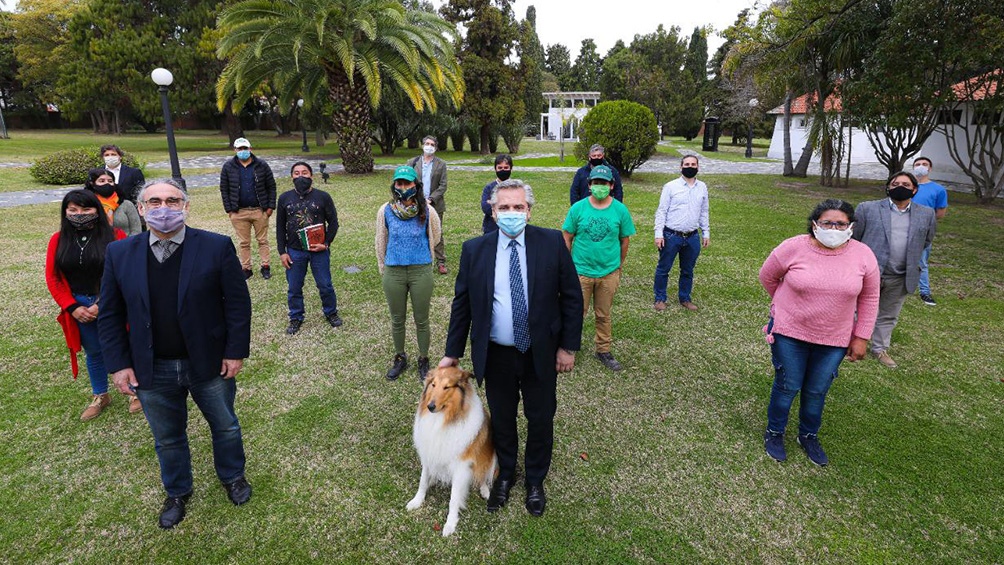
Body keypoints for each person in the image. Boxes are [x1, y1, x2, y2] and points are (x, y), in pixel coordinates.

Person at [98, 179, 253, 529]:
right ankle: (178, 491)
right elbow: (110, 313)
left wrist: (234, 351)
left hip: (209, 362)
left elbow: (237, 305)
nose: (163, 208)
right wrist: (119, 365)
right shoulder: (120, 253)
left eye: (172, 200)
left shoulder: (215, 246)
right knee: (167, 436)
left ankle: (232, 476)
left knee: (225, 426)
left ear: (185, 206)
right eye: (154, 201)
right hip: (152, 366)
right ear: (140, 209)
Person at [439, 179, 583, 518]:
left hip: (540, 352)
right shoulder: (475, 250)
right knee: (502, 419)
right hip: (496, 353)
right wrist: (451, 351)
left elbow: (572, 298)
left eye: (518, 207)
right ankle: (506, 476)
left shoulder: (551, 243)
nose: (512, 213)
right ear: (493, 211)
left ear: (529, 211)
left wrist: (568, 348)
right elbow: (463, 305)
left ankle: (535, 480)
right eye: (504, 207)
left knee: (541, 417)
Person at [759, 199, 880, 466]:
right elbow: (767, 276)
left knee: (816, 390)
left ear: (850, 227)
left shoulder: (863, 255)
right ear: (815, 224)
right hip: (790, 332)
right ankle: (775, 432)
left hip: (834, 338)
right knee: (787, 385)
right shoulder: (793, 247)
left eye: (841, 223)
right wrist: (784, 306)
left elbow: (870, 298)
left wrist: (861, 337)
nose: (834, 228)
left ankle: (808, 435)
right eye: (827, 223)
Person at [45, 190, 133, 420]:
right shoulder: (58, 239)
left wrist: (103, 304)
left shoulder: (116, 236)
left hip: (112, 302)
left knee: (125, 344)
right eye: (73, 210)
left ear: (97, 210)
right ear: (65, 212)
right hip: (78, 305)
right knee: (94, 351)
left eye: (86, 209)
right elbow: (53, 277)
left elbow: (125, 275)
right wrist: (72, 307)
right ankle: (101, 394)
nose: (79, 214)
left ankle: (135, 391)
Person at [852, 172, 937, 369]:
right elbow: (855, 238)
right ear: (888, 187)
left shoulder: (926, 214)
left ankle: (879, 348)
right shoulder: (867, 208)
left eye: (906, 184)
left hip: (901, 275)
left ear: (914, 189)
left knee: (889, 314)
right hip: (869, 272)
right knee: (857, 309)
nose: (900, 186)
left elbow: (926, 240)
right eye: (895, 183)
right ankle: (852, 342)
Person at [561, 165, 636, 371]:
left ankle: (603, 350)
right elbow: (567, 236)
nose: (599, 186)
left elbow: (624, 240)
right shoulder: (578, 208)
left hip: (608, 272)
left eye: (604, 183)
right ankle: (568, 348)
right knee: (576, 312)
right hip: (581, 271)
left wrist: (618, 266)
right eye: (596, 183)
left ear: (611, 186)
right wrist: (568, 265)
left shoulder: (620, 210)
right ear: (589, 185)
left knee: (603, 314)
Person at [376, 166, 442, 381]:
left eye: (408, 183)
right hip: (394, 272)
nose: (403, 187)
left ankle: (423, 358)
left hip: (420, 270)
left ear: (416, 185)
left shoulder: (428, 211)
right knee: (397, 319)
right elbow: (381, 241)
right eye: (400, 183)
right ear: (395, 186)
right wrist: (383, 268)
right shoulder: (385, 210)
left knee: (421, 319)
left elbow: (436, 235)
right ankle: (400, 357)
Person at [276, 162, 342, 335]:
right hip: (294, 251)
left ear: (311, 176)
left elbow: (333, 223)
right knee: (294, 287)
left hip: (318, 250)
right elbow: (280, 227)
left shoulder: (323, 197)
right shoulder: (284, 198)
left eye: (304, 173)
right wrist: (282, 252)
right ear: (291, 177)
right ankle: (296, 316)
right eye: (296, 173)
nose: (300, 176)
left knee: (325, 285)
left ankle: (331, 312)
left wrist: (326, 243)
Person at [652, 155, 710, 311]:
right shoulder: (670, 187)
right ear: (681, 167)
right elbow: (661, 211)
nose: (689, 166)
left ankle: (685, 298)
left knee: (688, 270)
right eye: (686, 164)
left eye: (693, 164)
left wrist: (706, 232)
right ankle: (660, 298)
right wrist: (659, 234)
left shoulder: (702, 187)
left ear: (698, 167)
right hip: (671, 236)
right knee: (664, 268)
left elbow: (704, 211)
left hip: (692, 237)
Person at [219, 137, 277, 280]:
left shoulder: (261, 165)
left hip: (259, 210)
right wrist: (230, 210)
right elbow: (224, 189)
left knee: (262, 240)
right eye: (240, 149)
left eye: (245, 148)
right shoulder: (228, 167)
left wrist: (270, 208)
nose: (243, 151)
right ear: (235, 150)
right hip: (239, 211)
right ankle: (246, 268)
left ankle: (265, 266)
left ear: (250, 149)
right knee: (243, 242)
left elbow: (271, 186)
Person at [407, 135, 448, 274]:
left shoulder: (441, 164)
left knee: (437, 232)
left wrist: (431, 199)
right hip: (415, 203)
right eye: (427, 143)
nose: (429, 146)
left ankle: (441, 261)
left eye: (432, 144)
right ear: (423, 145)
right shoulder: (412, 162)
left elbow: (443, 186)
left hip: (435, 204)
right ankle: (418, 260)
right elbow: (407, 182)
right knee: (416, 231)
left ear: (435, 147)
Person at [911, 156, 948, 306]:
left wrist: (926, 222)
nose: (921, 166)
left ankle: (924, 292)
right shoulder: (908, 186)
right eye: (918, 164)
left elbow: (940, 212)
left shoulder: (938, 189)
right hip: (902, 227)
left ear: (930, 168)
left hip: (923, 231)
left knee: (921, 262)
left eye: (924, 164)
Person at [84, 168, 142, 236]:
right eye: (102, 181)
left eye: (110, 181)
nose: (107, 183)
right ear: (92, 184)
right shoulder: (88, 204)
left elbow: (136, 230)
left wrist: (127, 244)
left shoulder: (126, 204)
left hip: (125, 243)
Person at [480, 154, 512, 234]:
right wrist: (508, 205)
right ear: (495, 169)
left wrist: (494, 203)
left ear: (511, 168)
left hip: (511, 228)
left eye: (506, 168)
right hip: (491, 228)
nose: (503, 170)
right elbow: (486, 208)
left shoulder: (517, 187)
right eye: (500, 168)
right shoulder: (489, 188)